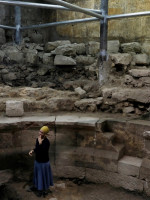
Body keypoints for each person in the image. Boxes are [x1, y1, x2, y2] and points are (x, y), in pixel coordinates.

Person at [29, 126, 53, 197]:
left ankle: (42, 190)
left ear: (45, 134)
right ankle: (36, 187)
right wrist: (32, 150)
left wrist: (40, 143)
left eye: (42, 132)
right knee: (37, 176)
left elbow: (42, 152)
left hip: (44, 162)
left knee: (42, 177)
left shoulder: (47, 142)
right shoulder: (38, 139)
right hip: (38, 161)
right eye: (39, 131)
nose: (39, 133)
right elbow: (37, 149)